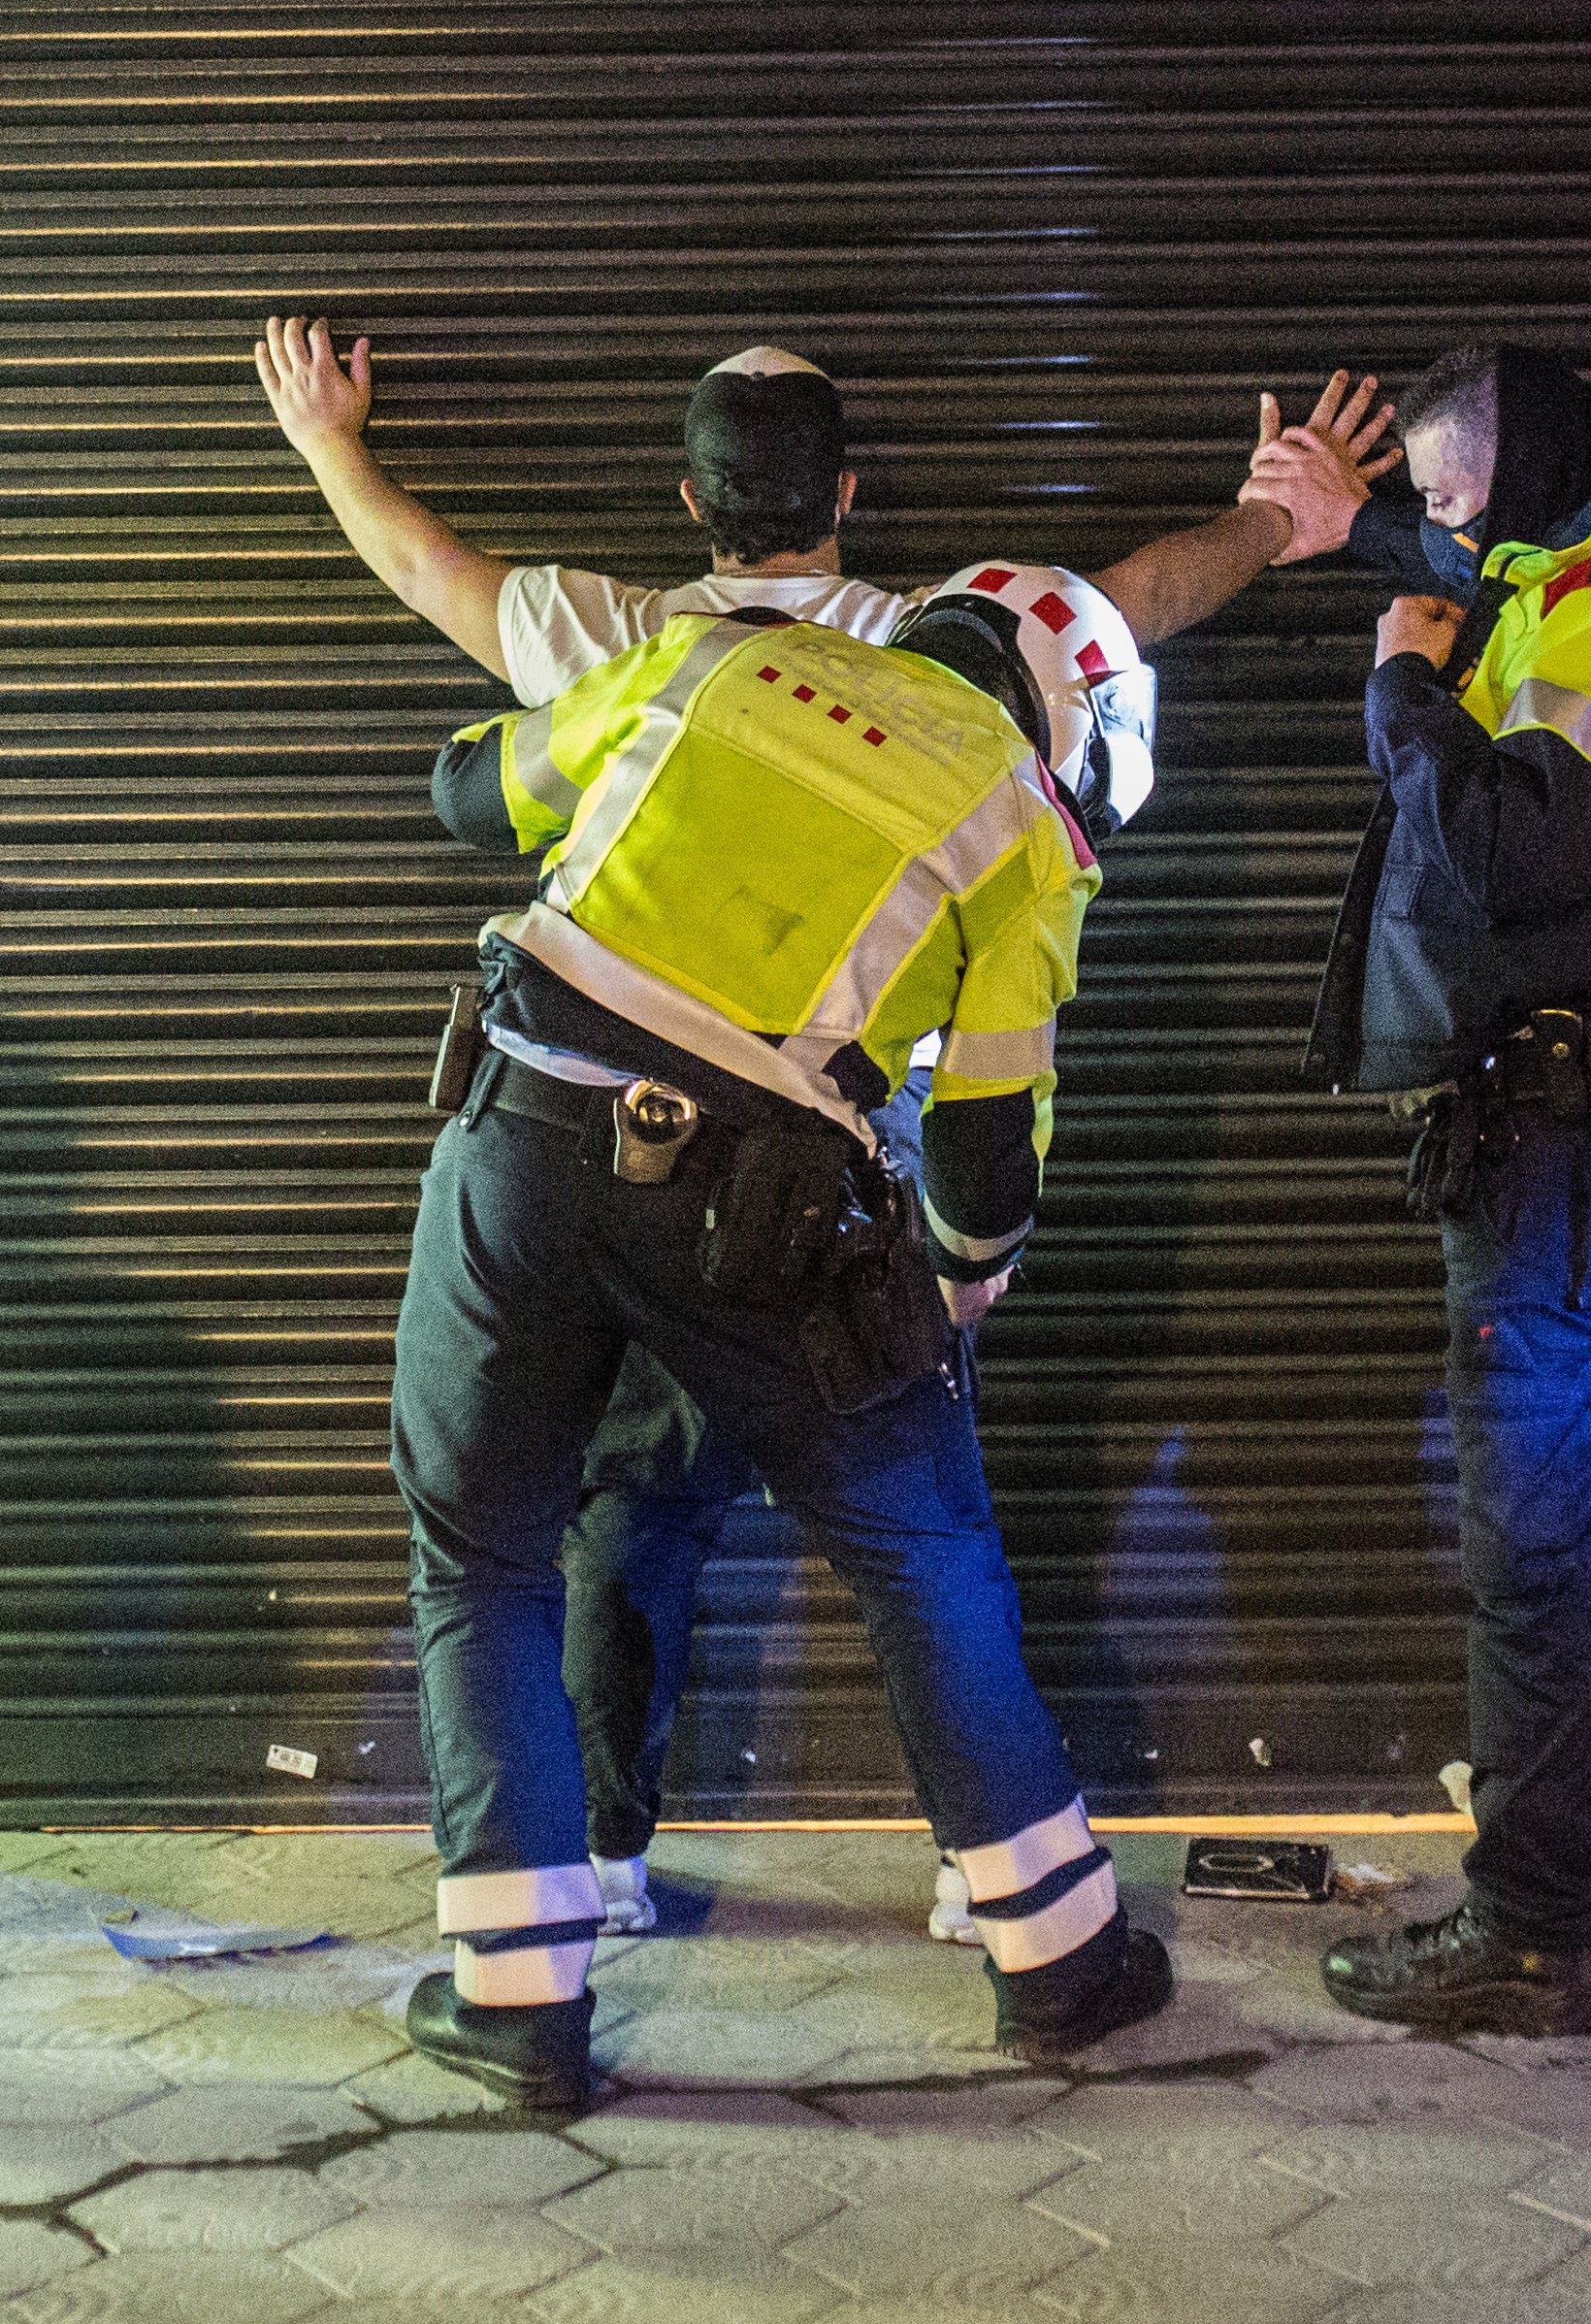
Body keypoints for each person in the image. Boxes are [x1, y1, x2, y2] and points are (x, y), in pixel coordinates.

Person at [255, 325, 1389, 1926]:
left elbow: (435, 585)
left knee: (611, 1520)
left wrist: (328, 446)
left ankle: (589, 1864)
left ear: (687, 498)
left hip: (589, 1134)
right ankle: (997, 1885)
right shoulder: (945, 653)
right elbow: (1130, 602)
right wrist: (1284, 515)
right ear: (847, 492)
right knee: (924, 1539)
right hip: (849, 1178)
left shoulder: (641, 641)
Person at [394, 565, 1182, 2110]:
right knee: (922, 1550)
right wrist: (958, 1281)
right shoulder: (1028, 826)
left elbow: (466, 796)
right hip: (766, 1207)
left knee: (482, 1558)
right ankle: (1062, 1962)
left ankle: (521, 2005)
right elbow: (984, 1143)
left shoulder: (707, 663)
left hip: (518, 1139)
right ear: (1065, 712)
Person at [1248, 344, 1591, 2038]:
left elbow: (1510, 849)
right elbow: (1501, 584)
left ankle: (1532, 1934)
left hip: (1574, 1142)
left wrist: (1400, 692)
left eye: (1454, 501)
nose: (1448, 549)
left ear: (1524, 473)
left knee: (1536, 1550)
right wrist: (1369, 535)